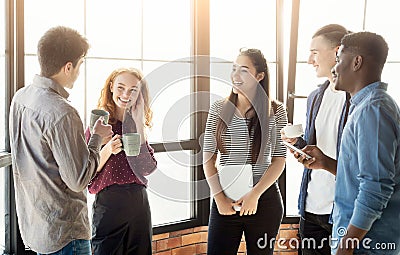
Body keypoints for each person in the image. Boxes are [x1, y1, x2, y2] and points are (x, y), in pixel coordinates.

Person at [9, 26, 113, 254]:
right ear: (68, 67)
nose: (79, 71)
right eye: (80, 64)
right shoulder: (62, 112)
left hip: (35, 227)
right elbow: (78, 180)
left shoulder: (21, 97)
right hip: (66, 236)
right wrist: (97, 139)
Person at [300, 32, 400, 255]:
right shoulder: (365, 106)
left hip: (366, 246)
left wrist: (345, 248)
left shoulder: (373, 110)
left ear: (356, 62)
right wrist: (325, 163)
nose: (334, 69)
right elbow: (361, 174)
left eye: (339, 60)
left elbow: (375, 189)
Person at [203, 48, 288, 254]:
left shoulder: (276, 110)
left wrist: (254, 195)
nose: (235, 75)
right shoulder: (218, 108)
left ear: (259, 76)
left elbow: (279, 159)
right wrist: (219, 199)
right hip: (225, 197)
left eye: (243, 70)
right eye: (234, 69)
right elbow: (208, 159)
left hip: (264, 201)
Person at [281, 24, 351, 254]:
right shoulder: (315, 97)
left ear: (337, 51)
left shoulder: (359, 100)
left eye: (314, 52)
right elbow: (316, 147)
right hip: (311, 206)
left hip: (342, 211)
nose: (310, 60)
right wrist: (297, 145)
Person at [86, 67, 157, 255]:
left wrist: (140, 123)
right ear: (111, 87)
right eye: (120, 87)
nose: (126, 94)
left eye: (133, 89)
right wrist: (108, 150)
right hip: (108, 203)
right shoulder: (98, 124)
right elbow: (86, 173)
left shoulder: (136, 124)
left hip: (138, 200)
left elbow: (148, 167)